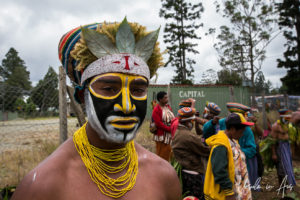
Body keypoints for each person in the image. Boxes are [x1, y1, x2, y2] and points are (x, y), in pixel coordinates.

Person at [11, 18, 181, 200]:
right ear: (82, 96)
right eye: (109, 89)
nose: (126, 106)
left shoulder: (164, 176)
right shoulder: (43, 186)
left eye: (138, 90)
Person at [204, 113, 253, 200]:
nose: (242, 134)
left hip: (238, 189)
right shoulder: (221, 146)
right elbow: (219, 171)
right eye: (241, 131)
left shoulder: (233, 141)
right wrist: (230, 193)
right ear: (233, 129)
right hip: (225, 194)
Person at [172, 107, 210, 200]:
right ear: (188, 122)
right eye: (192, 121)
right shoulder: (188, 136)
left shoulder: (178, 132)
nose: (192, 123)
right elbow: (205, 149)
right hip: (193, 173)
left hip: (184, 171)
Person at [218, 102, 258, 189]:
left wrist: (236, 152)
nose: (242, 133)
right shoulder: (221, 126)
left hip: (240, 165)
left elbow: (252, 149)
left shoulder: (246, 130)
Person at [271, 109, 296, 186]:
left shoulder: (287, 125)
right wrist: (274, 154)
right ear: (281, 117)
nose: (288, 120)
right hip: (280, 148)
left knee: (288, 165)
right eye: (286, 118)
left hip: (287, 147)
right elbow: (272, 141)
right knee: (281, 166)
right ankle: (282, 185)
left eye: (288, 118)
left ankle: (288, 184)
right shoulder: (276, 126)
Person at [152, 91, 175, 161]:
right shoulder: (157, 109)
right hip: (162, 136)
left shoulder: (168, 107)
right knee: (162, 155)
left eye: (167, 97)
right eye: (165, 98)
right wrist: (169, 129)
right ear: (160, 99)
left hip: (169, 134)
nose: (167, 99)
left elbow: (172, 118)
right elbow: (158, 123)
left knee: (169, 153)